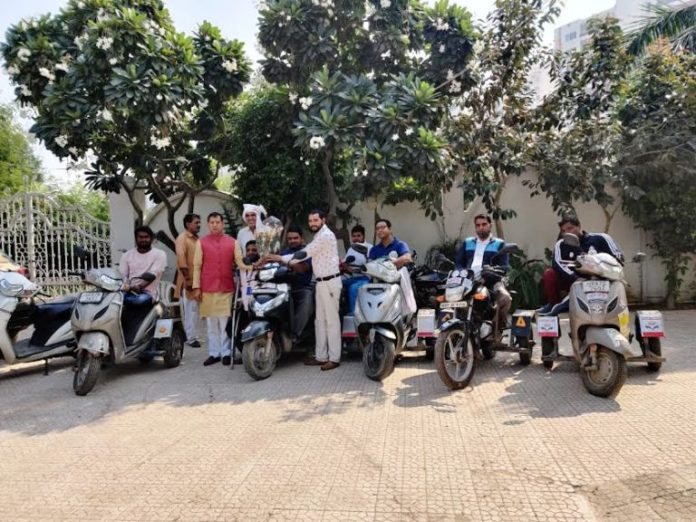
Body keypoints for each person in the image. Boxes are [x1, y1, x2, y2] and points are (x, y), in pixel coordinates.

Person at [280, 210, 341, 371]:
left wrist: (281, 258)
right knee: (319, 321)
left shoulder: (325, 236)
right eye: (310, 221)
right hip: (320, 282)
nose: (312, 223)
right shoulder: (318, 235)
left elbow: (305, 253)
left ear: (323, 220)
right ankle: (321, 356)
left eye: (315, 220)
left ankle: (334, 358)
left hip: (330, 282)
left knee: (331, 321)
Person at [539, 213, 624, 315]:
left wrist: (605, 272)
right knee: (549, 274)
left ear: (579, 226)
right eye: (563, 231)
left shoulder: (601, 238)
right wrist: (576, 278)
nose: (567, 233)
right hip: (574, 281)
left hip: (601, 281)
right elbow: (557, 264)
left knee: (618, 291)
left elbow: (618, 257)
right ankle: (553, 305)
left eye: (570, 228)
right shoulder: (561, 244)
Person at [191, 212, 237, 366]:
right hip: (207, 287)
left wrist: (252, 265)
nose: (215, 225)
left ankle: (226, 353)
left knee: (224, 322)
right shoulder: (201, 242)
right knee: (211, 323)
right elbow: (197, 266)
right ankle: (214, 353)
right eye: (212, 222)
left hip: (226, 287)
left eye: (217, 222)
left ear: (222, 224)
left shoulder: (232, 242)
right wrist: (196, 287)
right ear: (208, 224)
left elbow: (239, 262)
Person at [454, 214, 512, 333]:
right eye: (478, 225)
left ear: (490, 225)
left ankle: (496, 328)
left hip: (491, 280)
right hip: (468, 281)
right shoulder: (468, 242)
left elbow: (504, 267)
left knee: (505, 298)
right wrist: (460, 272)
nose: (481, 227)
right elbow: (458, 263)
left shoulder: (499, 244)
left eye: (484, 224)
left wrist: (489, 276)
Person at [265, 225, 315, 359]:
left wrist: (285, 262)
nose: (292, 241)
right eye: (290, 238)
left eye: (295, 238)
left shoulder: (306, 251)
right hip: (283, 288)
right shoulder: (283, 252)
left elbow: (303, 268)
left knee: (307, 302)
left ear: (301, 239)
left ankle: (294, 335)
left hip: (301, 288)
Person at [368, 219, 417, 315]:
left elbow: (407, 258)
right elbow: (370, 265)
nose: (380, 230)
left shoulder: (400, 245)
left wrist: (389, 265)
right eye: (377, 228)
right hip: (378, 285)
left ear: (390, 230)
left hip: (396, 284)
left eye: (383, 227)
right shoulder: (374, 250)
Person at [119, 226, 167, 306]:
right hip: (128, 290)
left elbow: (153, 274)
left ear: (151, 238)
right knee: (113, 300)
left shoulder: (159, 254)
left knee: (137, 301)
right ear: (136, 238)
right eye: (140, 237)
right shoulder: (127, 255)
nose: (143, 240)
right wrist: (125, 286)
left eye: (146, 237)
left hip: (148, 292)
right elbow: (122, 275)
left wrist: (139, 286)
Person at [175, 213, 201, 348]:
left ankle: (193, 335)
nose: (199, 225)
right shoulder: (182, 238)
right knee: (190, 310)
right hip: (188, 281)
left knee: (195, 309)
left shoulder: (196, 239)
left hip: (197, 280)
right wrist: (188, 279)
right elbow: (181, 259)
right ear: (187, 224)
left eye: (199, 222)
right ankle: (190, 338)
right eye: (196, 222)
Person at [341, 224, 372, 314]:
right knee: (335, 284)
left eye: (359, 236)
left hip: (364, 278)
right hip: (350, 277)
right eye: (354, 236)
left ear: (363, 236)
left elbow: (372, 266)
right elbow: (345, 261)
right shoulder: (351, 248)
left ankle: (353, 315)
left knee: (353, 288)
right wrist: (344, 265)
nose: (356, 238)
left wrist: (358, 269)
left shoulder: (369, 248)